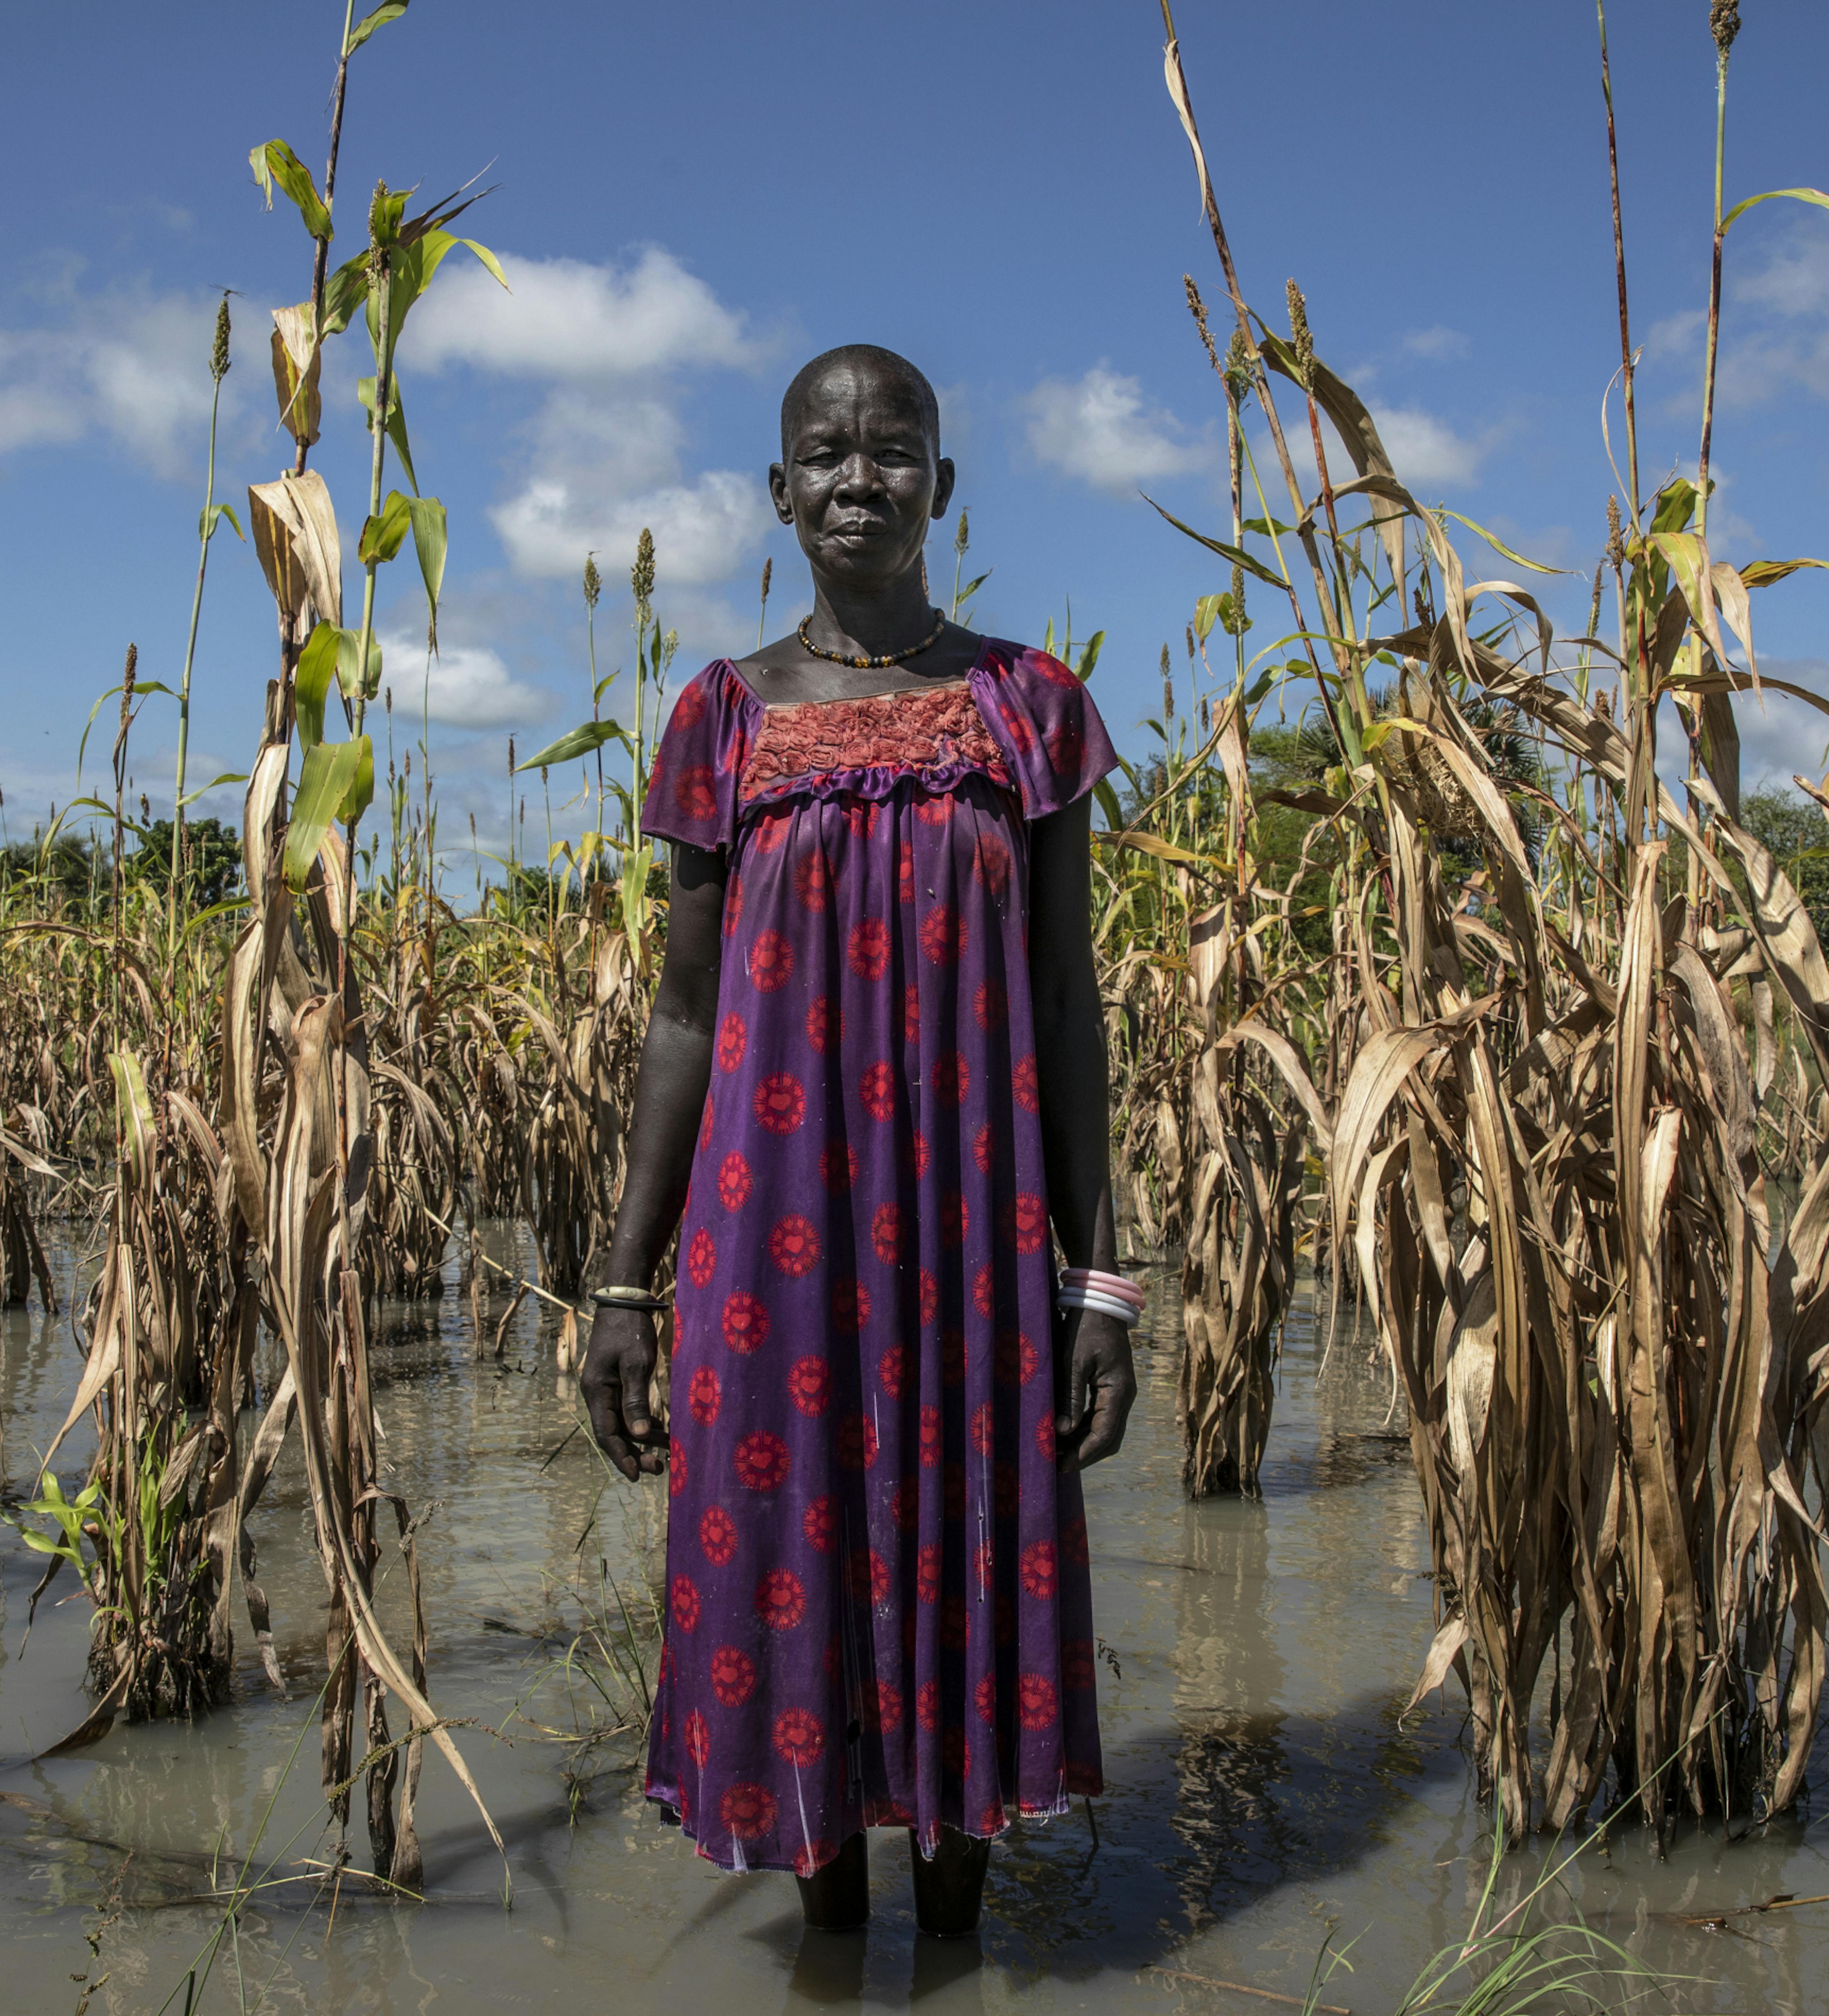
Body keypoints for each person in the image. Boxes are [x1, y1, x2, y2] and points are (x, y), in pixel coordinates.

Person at [579, 342, 1139, 1937]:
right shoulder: (721, 716)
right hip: (773, 1241)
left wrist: (1099, 1286)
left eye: (893, 452)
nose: (857, 479)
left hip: (975, 1229)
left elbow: (1067, 1002)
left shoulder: (1029, 710)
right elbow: (682, 1020)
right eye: (824, 455)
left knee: (971, 1560)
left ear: (942, 489)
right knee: (793, 1573)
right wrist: (627, 1292)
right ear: (777, 494)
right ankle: (832, 1928)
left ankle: (951, 1933)